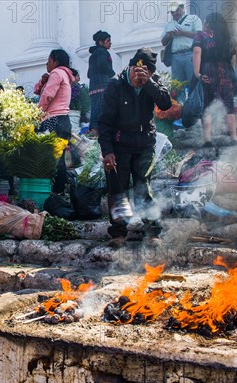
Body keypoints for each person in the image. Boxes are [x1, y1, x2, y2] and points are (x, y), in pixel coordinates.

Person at [98, 48, 172, 248]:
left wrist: (148, 83)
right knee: (118, 189)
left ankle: (153, 231)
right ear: (130, 67)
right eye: (136, 70)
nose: (139, 75)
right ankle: (118, 233)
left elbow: (165, 104)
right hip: (120, 145)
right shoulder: (116, 85)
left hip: (145, 144)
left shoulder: (153, 81)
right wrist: (107, 151)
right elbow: (104, 122)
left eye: (145, 72)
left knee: (143, 187)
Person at [192, 12, 237, 147]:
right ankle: (234, 137)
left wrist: (197, 73)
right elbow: (233, 57)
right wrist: (230, 73)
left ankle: (207, 139)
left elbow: (196, 52)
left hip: (208, 73)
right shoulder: (227, 38)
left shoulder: (201, 36)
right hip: (225, 73)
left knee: (207, 107)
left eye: (205, 22)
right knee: (229, 107)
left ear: (208, 24)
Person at [34, 49, 75, 194]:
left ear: (55, 62)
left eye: (49, 61)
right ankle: (59, 191)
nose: (47, 64)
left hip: (54, 119)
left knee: (53, 158)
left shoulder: (56, 73)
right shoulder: (64, 74)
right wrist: (42, 81)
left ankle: (55, 191)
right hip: (63, 120)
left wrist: (37, 114)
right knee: (59, 157)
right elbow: (37, 91)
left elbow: (47, 95)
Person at [161, 2, 202, 83]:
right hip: (175, 56)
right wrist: (169, 35)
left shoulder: (193, 18)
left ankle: (194, 96)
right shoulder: (168, 25)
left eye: (176, 10)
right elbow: (163, 42)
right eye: (172, 12)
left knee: (193, 82)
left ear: (182, 7)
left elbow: (200, 35)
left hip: (190, 54)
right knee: (178, 85)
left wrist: (182, 33)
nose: (175, 13)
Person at [87, 30, 116, 137]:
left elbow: (89, 73)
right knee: (101, 109)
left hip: (94, 84)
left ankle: (94, 134)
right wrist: (113, 75)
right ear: (101, 42)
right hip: (102, 83)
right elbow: (102, 64)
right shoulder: (102, 52)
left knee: (96, 108)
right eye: (108, 41)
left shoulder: (94, 54)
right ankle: (96, 135)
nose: (110, 43)